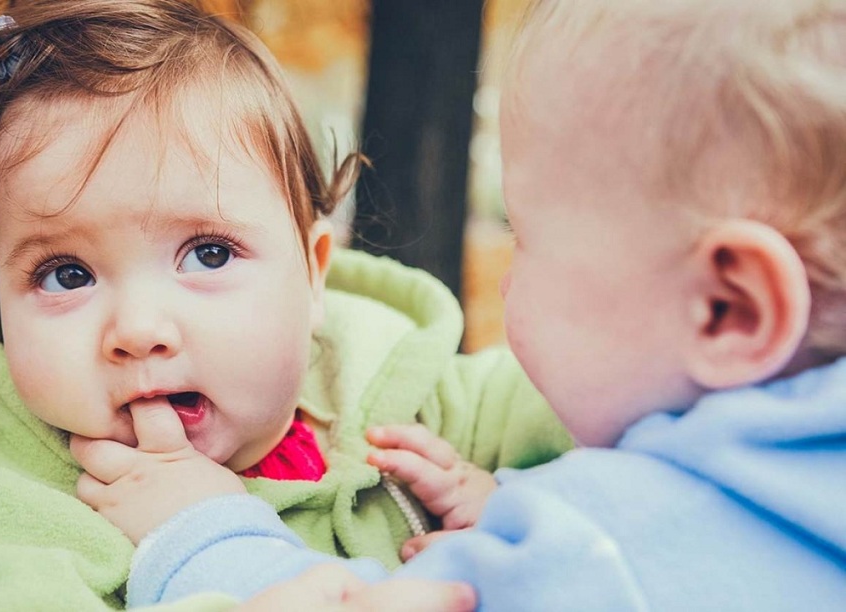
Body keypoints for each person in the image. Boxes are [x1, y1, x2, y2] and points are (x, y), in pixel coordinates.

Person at [83, 0, 846, 609]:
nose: (507, 280)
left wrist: (199, 531)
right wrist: (516, 515)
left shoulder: (603, 553)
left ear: (727, 310)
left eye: (526, 237)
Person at [0, 1, 570, 609]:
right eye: (66, 274)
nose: (137, 330)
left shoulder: (407, 402)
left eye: (208, 254)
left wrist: (529, 511)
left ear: (313, 276)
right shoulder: (21, 513)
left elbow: (611, 405)